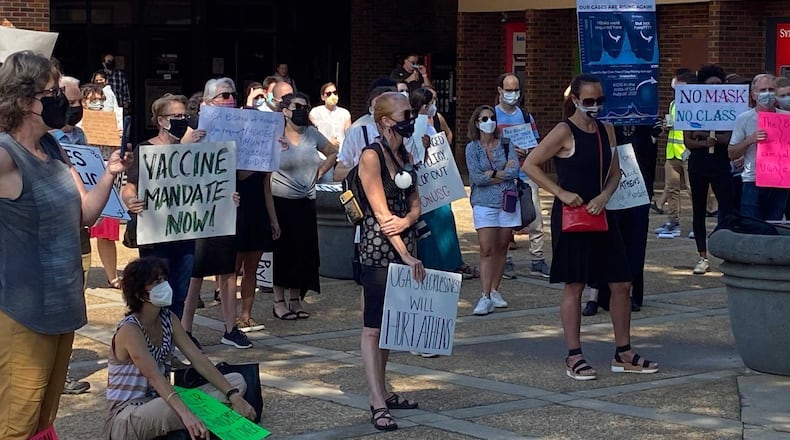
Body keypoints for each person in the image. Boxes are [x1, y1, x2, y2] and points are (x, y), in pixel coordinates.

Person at [0, 50, 130, 439]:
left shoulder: (55, 149)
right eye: (52, 93)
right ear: (23, 100)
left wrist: (109, 176)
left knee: (42, 420)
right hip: (22, 311)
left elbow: (84, 216)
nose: (61, 100)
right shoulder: (6, 154)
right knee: (15, 423)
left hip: (62, 303)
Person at [523, 74, 659, 380]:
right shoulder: (563, 130)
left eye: (600, 100)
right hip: (572, 216)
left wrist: (604, 196)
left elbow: (616, 172)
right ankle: (574, 355)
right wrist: (560, 192)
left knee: (622, 282)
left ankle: (623, 351)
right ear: (575, 100)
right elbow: (530, 164)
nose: (595, 106)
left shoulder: (606, 129)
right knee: (575, 284)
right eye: (589, 101)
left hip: (601, 212)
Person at [104, 256, 256, 439]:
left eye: (164, 279)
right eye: (157, 282)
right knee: (172, 409)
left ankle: (201, 420)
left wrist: (233, 395)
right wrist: (185, 413)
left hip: (162, 399)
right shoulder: (130, 329)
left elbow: (198, 359)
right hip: (127, 414)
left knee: (236, 381)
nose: (165, 286)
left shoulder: (168, 319)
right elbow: (155, 377)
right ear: (141, 294)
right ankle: (201, 419)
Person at [358, 91, 424, 431]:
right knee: (373, 327)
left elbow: (416, 202)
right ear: (385, 120)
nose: (410, 117)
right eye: (405, 113)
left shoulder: (406, 153)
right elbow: (382, 214)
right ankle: (376, 400)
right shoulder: (371, 156)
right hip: (380, 250)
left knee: (390, 329)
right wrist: (406, 253)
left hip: (404, 242)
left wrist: (410, 222)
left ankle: (381, 389)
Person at [180, 78, 256, 348]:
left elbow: (243, 173)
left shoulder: (236, 130)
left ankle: (230, 327)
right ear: (208, 102)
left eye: (232, 95)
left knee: (227, 270)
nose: (230, 99)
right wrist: (190, 144)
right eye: (224, 95)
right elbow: (178, 168)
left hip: (226, 205)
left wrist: (267, 155)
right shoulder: (192, 128)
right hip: (199, 209)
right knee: (196, 271)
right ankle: (186, 330)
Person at [121, 94, 202, 325]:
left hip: (185, 232)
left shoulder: (196, 151)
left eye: (185, 115)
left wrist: (226, 198)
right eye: (176, 116)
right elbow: (129, 187)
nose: (182, 120)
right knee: (155, 290)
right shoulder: (145, 150)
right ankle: (151, 336)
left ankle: (174, 338)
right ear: (160, 120)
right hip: (155, 233)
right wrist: (131, 201)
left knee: (179, 292)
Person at [271, 92, 338, 319]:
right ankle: (278, 301)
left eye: (305, 106)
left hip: (306, 200)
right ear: (285, 110)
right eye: (297, 106)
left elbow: (332, 151)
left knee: (303, 251)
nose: (302, 110)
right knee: (283, 251)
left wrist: (319, 172)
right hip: (281, 200)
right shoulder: (275, 135)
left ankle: (295, 300)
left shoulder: (311, 134)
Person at [51, 75, 92, 395]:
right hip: (49, 231)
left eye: (81, 102)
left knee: (74, 294)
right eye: (73, 102)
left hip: (77, 228)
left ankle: (61, 370)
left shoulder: (80, 135)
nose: (77, 107)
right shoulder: (39, 140)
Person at [465, 105, 521, 316]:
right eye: (484, 118)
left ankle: (495, 290)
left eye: (492, 118)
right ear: (477, 123)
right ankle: (485, 294)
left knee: (502, 246)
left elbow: (514, 170)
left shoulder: (506, 144)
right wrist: (501, 173)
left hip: (507, 201)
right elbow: (477, 178)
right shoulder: (472, 148)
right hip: (484, 202)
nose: (489, 122)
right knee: (486, 248)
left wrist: (493, 173)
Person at [494, 73, 551, 279]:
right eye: (508, 90)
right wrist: (508, 150)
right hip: (503, 176)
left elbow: (536, 144)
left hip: (525, 175)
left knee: (535, 217)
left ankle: (538, 259)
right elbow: (485, 147)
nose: (513, 94)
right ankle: (505, 260)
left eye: (516, 90)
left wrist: (529, 151)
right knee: (505, 219)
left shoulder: (526, 116)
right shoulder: (492, 117)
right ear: (500, 91)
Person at [683, 64, 734, 274]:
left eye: (718, 84)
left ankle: (730, 251)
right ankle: (702, 256)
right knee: (698, 210)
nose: (715, 88)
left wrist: (704, 136)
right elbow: (688, 141)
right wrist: (706, 140)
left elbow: (730, 137)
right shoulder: (692, 107)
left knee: (728, 208)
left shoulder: (729, 108)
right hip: (699, 164)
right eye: (710, 84)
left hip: (721, 164)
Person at [80, 83, 123, 289]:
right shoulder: (76, 127)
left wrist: (119, 137)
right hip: (83, 182)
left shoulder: (111, 123)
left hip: (106, 181)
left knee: (107, 231)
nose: (98, 104)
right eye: (93, 100)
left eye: (101, 100)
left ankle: (112, 275)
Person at [729, 73, 788, 221]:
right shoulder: (744, 119)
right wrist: (750, 140)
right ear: (753, 95)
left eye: (770, 89)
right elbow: (731, 153)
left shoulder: (786, 118)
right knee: (751, 225)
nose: (767, 94)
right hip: (753, 180)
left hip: (780, 180)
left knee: (774, 226)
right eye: (762, 90)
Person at [654, 71, 697, 238]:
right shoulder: (673, 103)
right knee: (672, 189)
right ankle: (673, 222)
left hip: (688, 153)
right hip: (672, 153)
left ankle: (697, 223)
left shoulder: (694, 104)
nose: (674, 84)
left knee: (693, 191)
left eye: (678, 82)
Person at [310, 82, 351, 182]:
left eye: (335, 93)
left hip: (341, 156)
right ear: (323, 97)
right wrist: (328, 142)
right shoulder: (315, 112)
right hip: (323, 157)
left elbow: (349, 133)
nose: (332, 96)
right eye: (328, 94)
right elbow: (314, 132)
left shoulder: (344, 113)